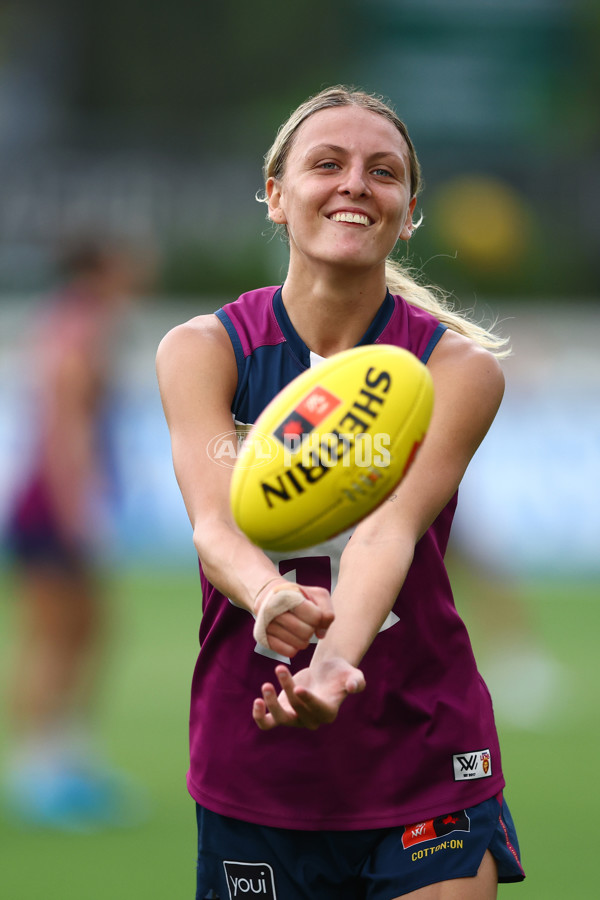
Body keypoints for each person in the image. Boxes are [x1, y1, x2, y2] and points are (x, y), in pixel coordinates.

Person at [156, 86, 526, 899]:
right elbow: (215, 528)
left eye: (382, 172)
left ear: (410, 210)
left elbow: (387, 533)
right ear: (275, 195)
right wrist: (268, 596)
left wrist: (329, 668)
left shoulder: (457, 371)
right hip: (252, 754)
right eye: (327, 164)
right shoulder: (203, 350)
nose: (356, 184)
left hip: (425, 747)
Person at [3, 238, 146, 829]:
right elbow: (66, 430)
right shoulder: (77, 328)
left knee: (89, 630)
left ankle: (69, 758)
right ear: (99, 270)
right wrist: (81, 512)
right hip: (54, 507)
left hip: (65, 503)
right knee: (58, 634)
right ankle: (39, 769)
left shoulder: (84, 323)